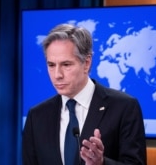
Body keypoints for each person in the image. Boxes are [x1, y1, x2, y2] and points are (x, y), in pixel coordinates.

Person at [22, 24, 147, 165]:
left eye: (66, 65)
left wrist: (102, 163)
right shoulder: (37, 116)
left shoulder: (124, 107)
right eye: (51, 65)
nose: (57, 75)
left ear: (86, 63)